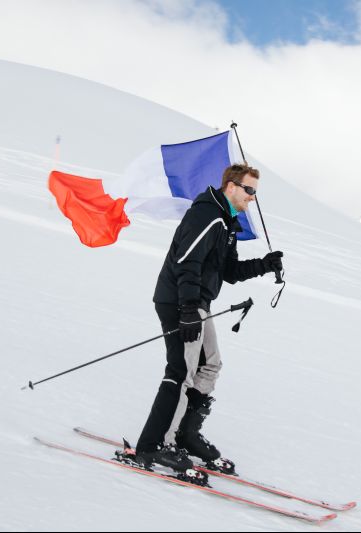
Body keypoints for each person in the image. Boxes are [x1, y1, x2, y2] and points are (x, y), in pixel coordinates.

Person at [133, 163, 284, 476]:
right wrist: (187, 309)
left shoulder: (227, 223)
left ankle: (185, 436)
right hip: (179, 301)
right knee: (181, 370)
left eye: (255, 191)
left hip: (197, 302)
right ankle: (156, 445)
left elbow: (228, 272)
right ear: (231, 186)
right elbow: (186, 262)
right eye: (250, 189)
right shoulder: (208, 215)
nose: (253, 197)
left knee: (210, 364)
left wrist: (264, 265)